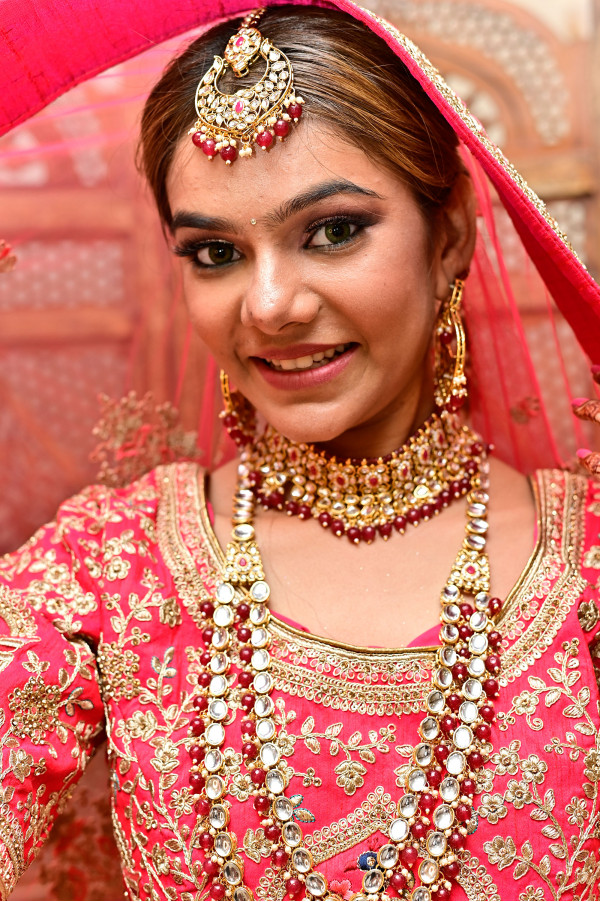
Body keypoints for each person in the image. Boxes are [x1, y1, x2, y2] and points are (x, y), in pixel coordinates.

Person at [1, 2, 600, 900]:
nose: (271, 305)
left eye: (332, 231)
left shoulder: (585, 559)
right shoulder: (108, 570)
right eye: (215, 252)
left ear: (451, 237)